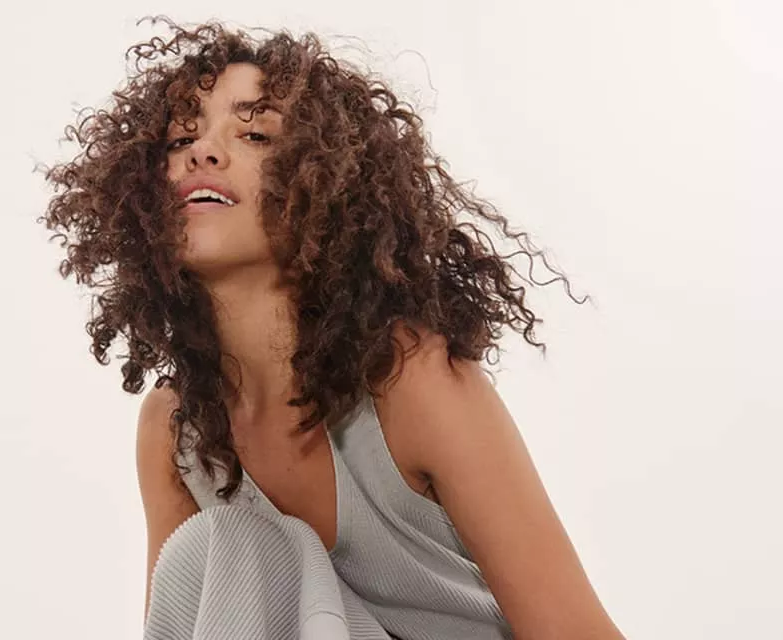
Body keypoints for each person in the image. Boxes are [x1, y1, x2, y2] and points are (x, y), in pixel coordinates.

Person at [38, 17, 626, 640]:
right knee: (221, 545)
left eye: (257, 134)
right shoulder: (174, 428)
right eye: (182, 136)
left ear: (325, 183)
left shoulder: (409, 380)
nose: (202, 151)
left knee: (241, 544)